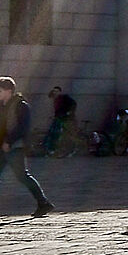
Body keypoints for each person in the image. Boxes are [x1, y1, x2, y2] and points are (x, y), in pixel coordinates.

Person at [0, 78, 53, 217]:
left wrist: (9, 141)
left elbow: (23, 127)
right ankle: (43, 203)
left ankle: (43, 202)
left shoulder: (21, 106)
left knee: (22, 176)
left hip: (15, 147)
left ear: (8, 91)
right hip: (3, 146)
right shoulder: (2, 106)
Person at [42, 85, 75, 156]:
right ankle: (49, 149)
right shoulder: (55, 99)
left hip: (64, 118)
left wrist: (69, 112)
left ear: (60, 92)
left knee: (56, 133)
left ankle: (53, 149)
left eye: (57, 91)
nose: (55, 93)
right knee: (53, 132)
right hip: (58, 118)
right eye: (54, 91)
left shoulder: (64, 98)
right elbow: (50, 96)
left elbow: (73, 103)